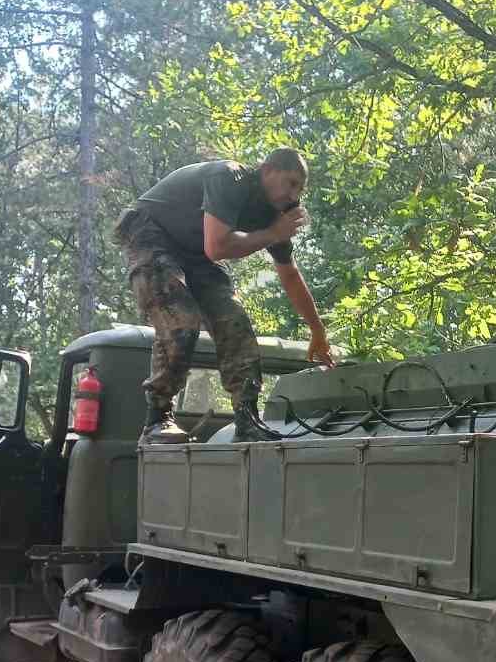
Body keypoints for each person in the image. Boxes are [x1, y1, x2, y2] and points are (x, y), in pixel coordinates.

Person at [113, 149, 333, 444]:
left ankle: (247, 421)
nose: (294, 196)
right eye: (291, 183)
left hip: (195, 252)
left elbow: (289, 274)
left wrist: (317, 330)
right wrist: (273, 234)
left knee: (235, 324)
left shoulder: (276, 214)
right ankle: (157, 420)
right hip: (151, 232)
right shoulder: (229, 177)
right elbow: (217, 247)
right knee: (182, 321)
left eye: (300, 189)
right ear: (267, 170)